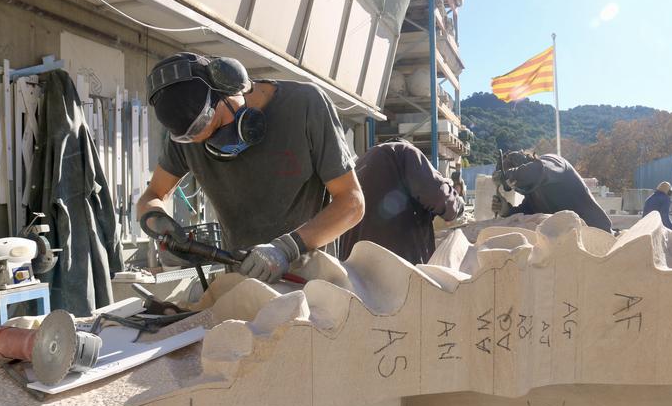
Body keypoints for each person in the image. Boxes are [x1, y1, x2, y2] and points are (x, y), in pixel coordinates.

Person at [137, 53, 364, 283]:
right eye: (201, 140)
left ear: (230, 84)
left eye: (217, 126)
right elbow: (152, 196)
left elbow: (352, 203)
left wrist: (286, 248)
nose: (216, 143)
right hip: (244, 287)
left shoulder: (305, 105)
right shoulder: (190, 135)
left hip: (312, 287)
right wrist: (159, 222)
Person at [339, 139, 465, 264]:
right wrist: (458, 205)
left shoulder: (359, 163)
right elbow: (438, 196)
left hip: (354, 269)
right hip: (397, 269)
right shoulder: (405, 152)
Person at [491, 151, 612, 233]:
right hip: (568, 239)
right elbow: (526, 213)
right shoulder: (532, 194)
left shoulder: (553, 162)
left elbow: (539, 170)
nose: (516, 188)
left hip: (596, 231)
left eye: (516, 183)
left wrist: (510, 175)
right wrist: (505, 210)